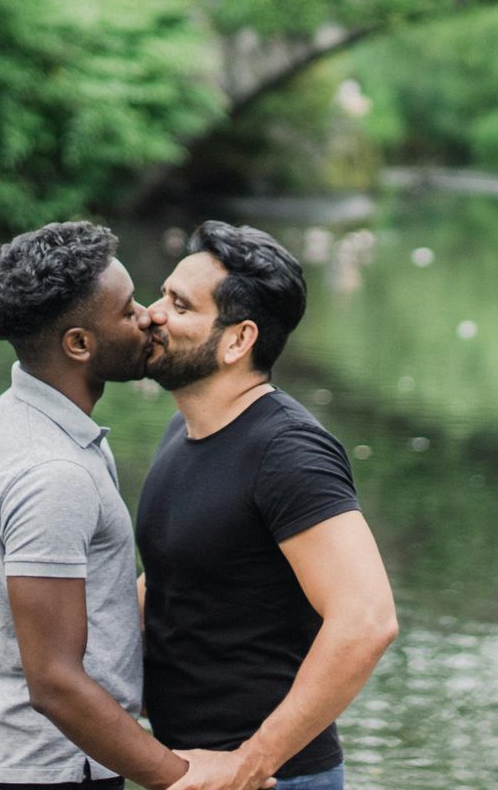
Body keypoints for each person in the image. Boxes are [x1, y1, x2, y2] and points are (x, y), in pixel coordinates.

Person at [0, 221, 251, 790]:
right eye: (126, 310)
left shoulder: (14, 413)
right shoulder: (55, 474)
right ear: (80, 345)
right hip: (54, 773)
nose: (148, 316)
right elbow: (54, 682)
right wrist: (181, 776)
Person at [138, 221, 398, 790]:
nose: (151, 313)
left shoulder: (287, 451)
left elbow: (367, 620)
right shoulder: (183, 431)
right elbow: (169, 579)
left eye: (179, 306)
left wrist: (252, 762)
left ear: (237, 340)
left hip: (272, 780)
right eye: (163, 294)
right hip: (184, 769)